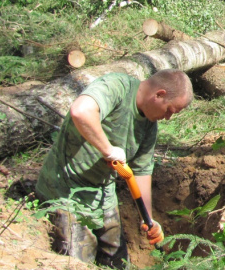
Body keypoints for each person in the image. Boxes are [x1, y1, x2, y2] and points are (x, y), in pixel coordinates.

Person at [36, 69, 193, 268]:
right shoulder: (116, 87)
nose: (168, 118)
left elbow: (142, 171)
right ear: (159, 95)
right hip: (67, 190)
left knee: (118, 263)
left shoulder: (149, 127)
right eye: (169, 110)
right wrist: (107, 149)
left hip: (103, 195)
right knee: (78, 263)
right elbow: (80, 111)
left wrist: (148, 218)